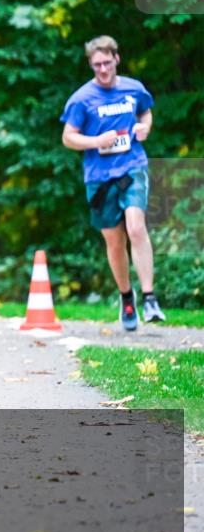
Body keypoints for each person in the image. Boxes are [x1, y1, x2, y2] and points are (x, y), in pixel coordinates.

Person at [60, 35, 164, 330]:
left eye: (107, 63)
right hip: (99, 177)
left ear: (117, 59)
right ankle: (126, 297)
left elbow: (146, 111)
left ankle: (149, 297)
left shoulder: (134, 89)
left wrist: (145, 128)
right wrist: (96, 140)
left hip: (132, 166)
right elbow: (68, 137)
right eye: (96, 66)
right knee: (115, 241)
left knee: (135, 226)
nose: (103, 70)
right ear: (91, 66)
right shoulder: (81, 99)